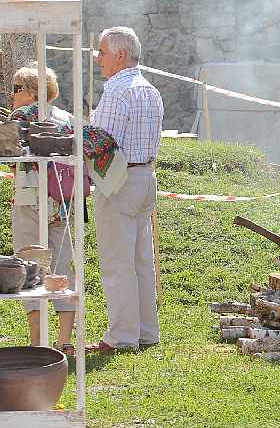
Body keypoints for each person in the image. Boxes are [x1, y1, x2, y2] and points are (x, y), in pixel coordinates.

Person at [86, 27, 164, 353]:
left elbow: (99, 141)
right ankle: (146, 332)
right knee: (141, 261)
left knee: (118, 263)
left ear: (120, 55)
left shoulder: (117, 91)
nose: (98, 58)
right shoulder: (151, 91)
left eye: (102, 52)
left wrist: (75, 135)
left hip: (119, 180)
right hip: (145, 175)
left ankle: (121, 337)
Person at [9, 64, 76, 355]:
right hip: (61, 200)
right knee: (63, 267)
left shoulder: (20, 117)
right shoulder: (67, 117)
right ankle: (65, 341)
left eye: (16, 89)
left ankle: (38, 342)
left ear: (31, 91)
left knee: (29, 265)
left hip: (28, 198)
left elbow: (11, 159)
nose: (11, 96)